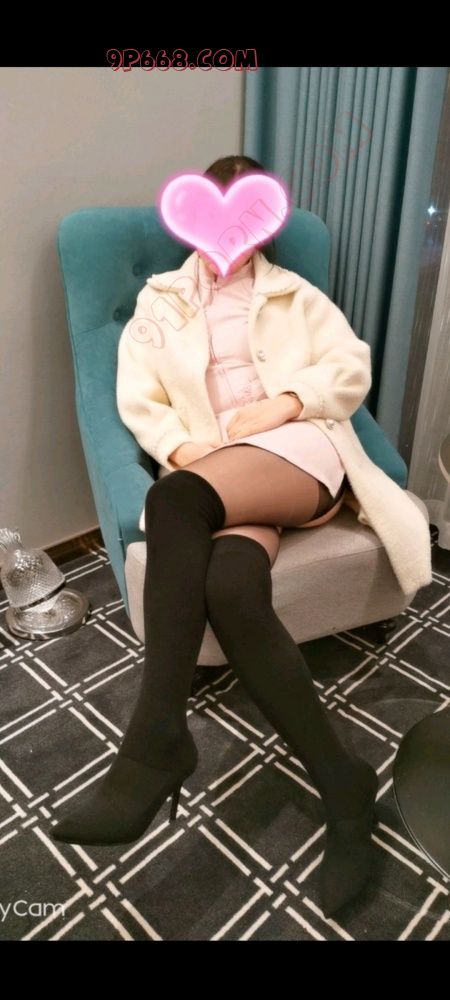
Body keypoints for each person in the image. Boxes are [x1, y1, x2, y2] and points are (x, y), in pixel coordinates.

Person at [51, 155, 379, 921]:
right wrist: (184, 447)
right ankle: (345, 783)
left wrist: (289, 400)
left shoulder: (295, 294)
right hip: (216, 469)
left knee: (174, 501)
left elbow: (349, 367)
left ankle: (155, 738)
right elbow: (139, 399)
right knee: (231, 587)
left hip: (298, 453)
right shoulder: (160, 302)